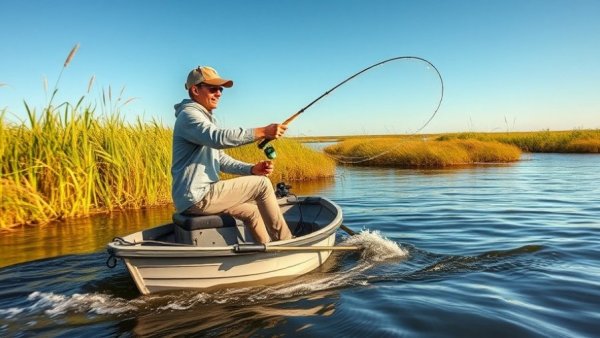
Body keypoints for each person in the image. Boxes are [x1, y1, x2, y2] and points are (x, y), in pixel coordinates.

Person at [171, 65, 292, 243]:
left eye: (220, 89)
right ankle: (286, 243)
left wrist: (251, 169)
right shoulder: (189, 115)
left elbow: (220, 159)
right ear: (195, 90)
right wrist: (263, 132)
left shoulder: (202, 118)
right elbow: (218, 138)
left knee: (251, 212)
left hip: (194, 199)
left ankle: (265, 249)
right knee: (262, 184)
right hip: (198, 197)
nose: (219, 93)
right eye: (213, 88)